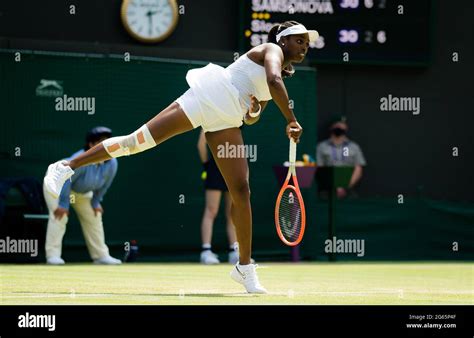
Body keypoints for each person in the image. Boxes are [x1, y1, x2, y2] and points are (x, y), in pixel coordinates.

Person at [44, 21, 318, 293]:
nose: (305, 46)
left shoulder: (278, 73)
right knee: (135, 141)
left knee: (241, 190)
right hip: (211, 95)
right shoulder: (271, 49)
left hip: (227, 119)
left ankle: (244, 268)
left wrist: (255, 111)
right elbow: (273, 80)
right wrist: (292, 120)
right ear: (283, 40)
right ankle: (67, 166)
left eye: (307, 42)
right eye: (299, 40)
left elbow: (253, 117)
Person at [44, 126, 121, 265]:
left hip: (81, 193)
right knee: (60, 216)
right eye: (101, 142)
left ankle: (101, 256)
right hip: (58, 184)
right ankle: (52, 256)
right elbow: (66, 180)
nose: (106, 145)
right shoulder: (80, 160)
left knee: (94, 215)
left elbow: (104, 186)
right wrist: (63, 204)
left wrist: (96, 202)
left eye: (107, 142)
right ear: (91, 145)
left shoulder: (112, 163)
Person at [197, 129, 239, 265]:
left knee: (232, 212)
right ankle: (206, 251)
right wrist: (207, 166)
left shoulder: (237, 117)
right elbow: (201, 143)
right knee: (211, 210)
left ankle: (234, 251)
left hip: (233, 167)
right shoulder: (210, 116)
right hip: (214, 169)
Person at [316, 116, 366, 198]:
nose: (340, 127)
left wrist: (345, 186)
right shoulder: (322, 147)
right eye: (337, 125)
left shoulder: (353, 147)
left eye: (342, 125)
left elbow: (358, 168)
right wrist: (335, 187)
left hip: (348, 190)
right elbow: (320, 168)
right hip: (328, 189)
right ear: (331, 127)